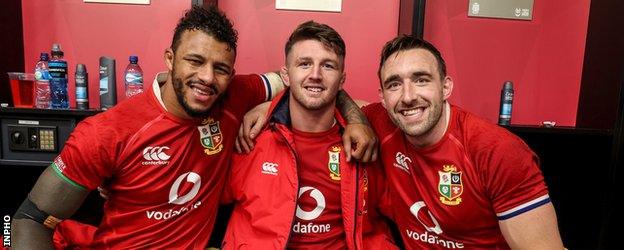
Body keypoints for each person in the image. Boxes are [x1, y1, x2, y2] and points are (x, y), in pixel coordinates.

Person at [11, 6, 376, 249]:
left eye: (220, 68)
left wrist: (355, 117)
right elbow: (30, 219)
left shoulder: (231, 97)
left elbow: (311, 84)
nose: (206, 78)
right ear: (170, 59)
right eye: (194, 61)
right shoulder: (107, 132)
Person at [363, 35, 564, 249]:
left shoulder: (497, 150)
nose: (408, 96)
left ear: (446, 87)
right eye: (394, 85)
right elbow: (336, 99)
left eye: (421, 80)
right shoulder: (381, 122)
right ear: (383, 98)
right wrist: (357, 123)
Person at [220, 21, 394, 249]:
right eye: (304, 64)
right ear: (285, 75)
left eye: (328, 66)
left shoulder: (366, 139)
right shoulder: (249, 136)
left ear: (342, 80)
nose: (315, 75)